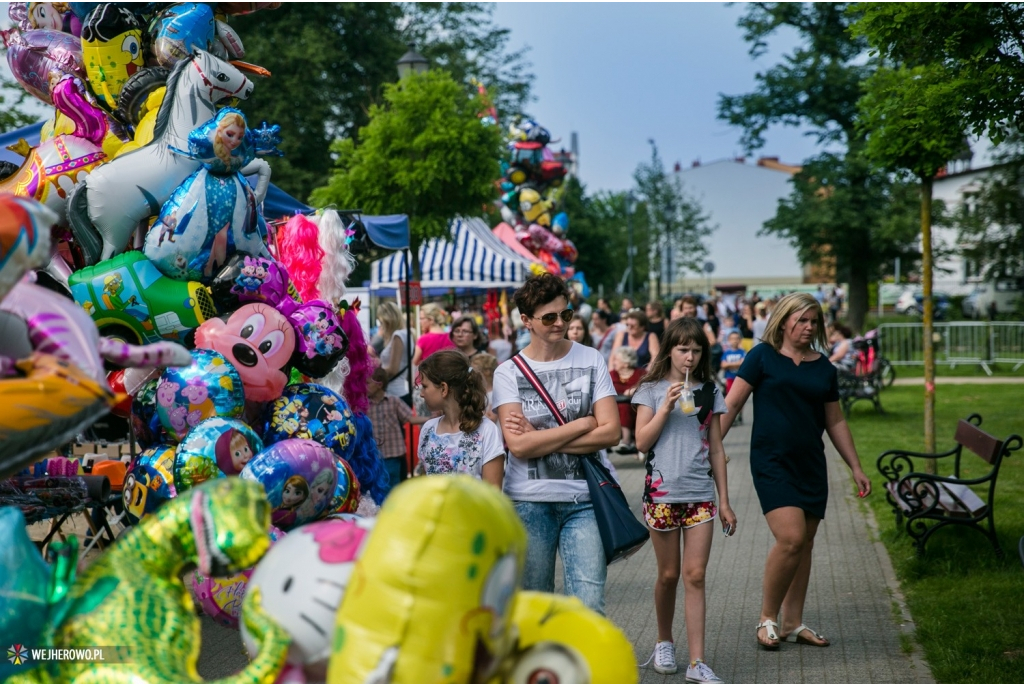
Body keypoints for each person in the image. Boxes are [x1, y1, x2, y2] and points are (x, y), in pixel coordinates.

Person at [719, 292, 872, 650]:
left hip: (811, 465)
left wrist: (855, 466)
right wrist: (708, 450)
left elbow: (835, 421)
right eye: (801, 320)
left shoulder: (824, 368)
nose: (808, 327)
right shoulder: (762, 357)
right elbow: (733, 403)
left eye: (813, 321)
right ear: (784, 320)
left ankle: (793, 622)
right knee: (790, 539)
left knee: (805, 544)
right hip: (771, 462)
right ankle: (767, 619)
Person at [493, 273, 620, 614]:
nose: (560, 323)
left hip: (585, 500)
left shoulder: (590, 358)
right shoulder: (508, 372)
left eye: (566, 315)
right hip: (529, 502)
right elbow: (518, 448)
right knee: (536, 608)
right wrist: (582, 424)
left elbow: (611, 433)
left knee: (590, 605)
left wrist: (538, 437)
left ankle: (588, 669)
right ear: (526, 321)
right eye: (549, 317)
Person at [632, 317, 736, 681]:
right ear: (669, 350)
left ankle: (697, 662)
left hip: (700, 495)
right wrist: (664, 407)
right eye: (682, 349)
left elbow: (718, 448)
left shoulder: (710, 391)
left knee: (695, 574)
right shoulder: (649, 389)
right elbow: (641, 443)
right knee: (669, 574)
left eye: (696, 350)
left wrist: (724, 500)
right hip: (661, 494)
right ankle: (664, 640)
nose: (689, 357)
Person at [416, 349, 505, 488]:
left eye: (425, 386)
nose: (421, 394)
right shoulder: (428, 429)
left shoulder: (486, 430)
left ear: (444, 388)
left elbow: (493, 493)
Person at [367, 365, 427, 499]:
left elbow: (410, 418)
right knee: (377, 487)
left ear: (379, 384)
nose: (364, 386)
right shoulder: (364, 405)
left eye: (367, 383)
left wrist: (430, 419)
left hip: (393, 454)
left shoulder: (393, 401)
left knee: (394, 487)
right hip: (374, 455)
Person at [377, 301, 414, 405]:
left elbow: (393, 369)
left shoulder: (398, 335)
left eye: (381, 321)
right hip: (400, 390)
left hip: (394, 392)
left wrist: (373, 370)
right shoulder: (407, 333)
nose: (381, 324)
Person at [609, 345, 644, 456]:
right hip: (614, 408)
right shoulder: (612, 374)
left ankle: (626, 440)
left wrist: (635, 389)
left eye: (616, 360)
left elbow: (649, 386)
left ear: (625, 363)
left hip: (635, 408)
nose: (613, 362)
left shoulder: (640, 374)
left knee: (625, 406)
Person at [470, 352, 500, 422]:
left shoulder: (495, 394)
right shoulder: (474, 391)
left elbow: (492, 418)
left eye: (474, 371)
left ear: (487, 372)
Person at [720, 330, 746, 395]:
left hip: (740, 378)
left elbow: (743, 363)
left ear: (740, 340)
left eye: (737, 338)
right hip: (729, 378)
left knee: (740, 396)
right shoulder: (726, 352)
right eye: (733, 338)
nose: (735, 340)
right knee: (730, 395)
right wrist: (737, 363)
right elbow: (723, 365)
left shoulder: (742, 352)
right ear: (729, 340)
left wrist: (729, 364)